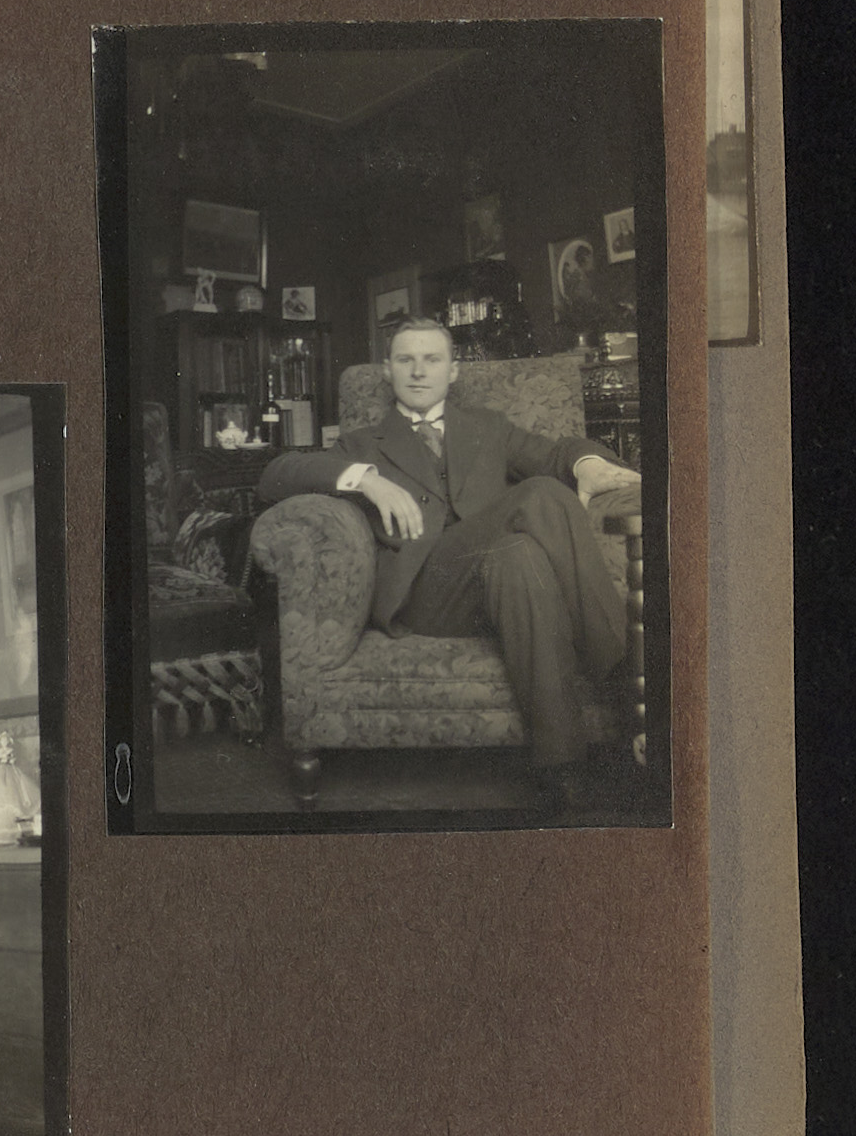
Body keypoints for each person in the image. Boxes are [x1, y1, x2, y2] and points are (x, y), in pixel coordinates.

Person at [254, 317, 641, 791]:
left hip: (494, 584)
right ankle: (629, 678)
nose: (419, 371)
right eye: (406, 360)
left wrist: (589, 465)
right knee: (540, 494)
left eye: (432, 359)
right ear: (388, 370)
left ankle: (562, 771)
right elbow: (276, 474)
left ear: (453, 371)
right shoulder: (362, 444)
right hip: (425, 594)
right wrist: (366, 479)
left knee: (520, 556)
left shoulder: (488, 428)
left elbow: (557, 453)